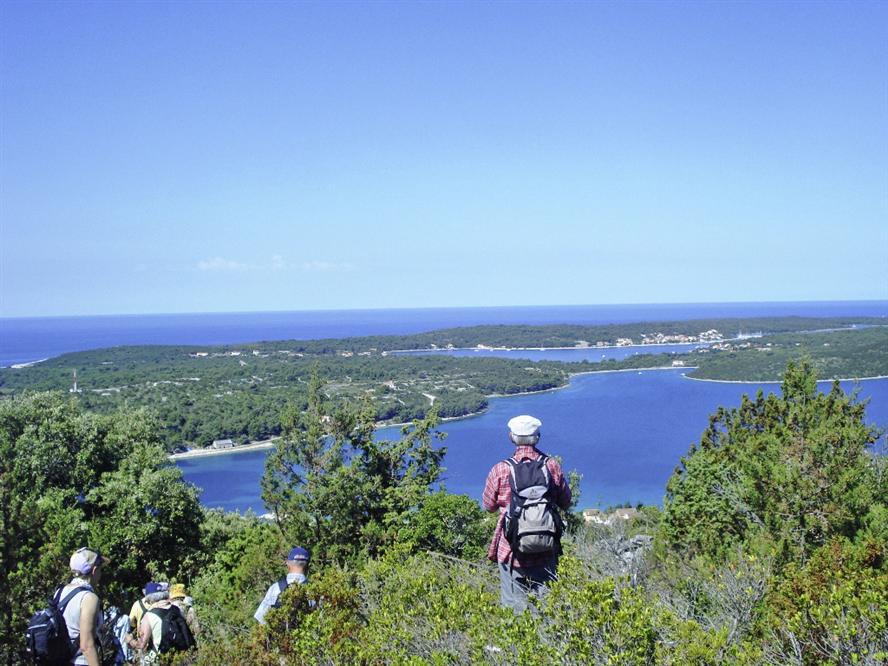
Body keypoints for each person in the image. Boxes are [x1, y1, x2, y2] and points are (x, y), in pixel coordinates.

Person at [482, 415, 571, 612]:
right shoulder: (551, 466)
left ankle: (518, 643)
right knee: (548, 606)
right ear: (537, 437)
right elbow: (566, 501)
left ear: (511, 437)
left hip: (511, 550)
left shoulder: (501, 469)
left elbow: (488, 505)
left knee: (514, 607)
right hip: (546, 546)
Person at [61, 547, 110, 666]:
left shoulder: (60, 593)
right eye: (100, 570)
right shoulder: (89, 598)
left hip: (61, 660)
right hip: (80, 662)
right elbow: (86, 645)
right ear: (94, 570)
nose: (100, 574)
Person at [254, 546, 310, 624]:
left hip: (279, 635)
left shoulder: (275, 589)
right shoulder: (314, 590)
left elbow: (262, 621)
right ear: (308, 566)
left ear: (288, 564)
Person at [125, 582, 169, 663]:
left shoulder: (148, 614)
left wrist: (130, 640)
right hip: (172, 649)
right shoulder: (173, 608)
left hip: (153, 652)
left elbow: (141, 644)